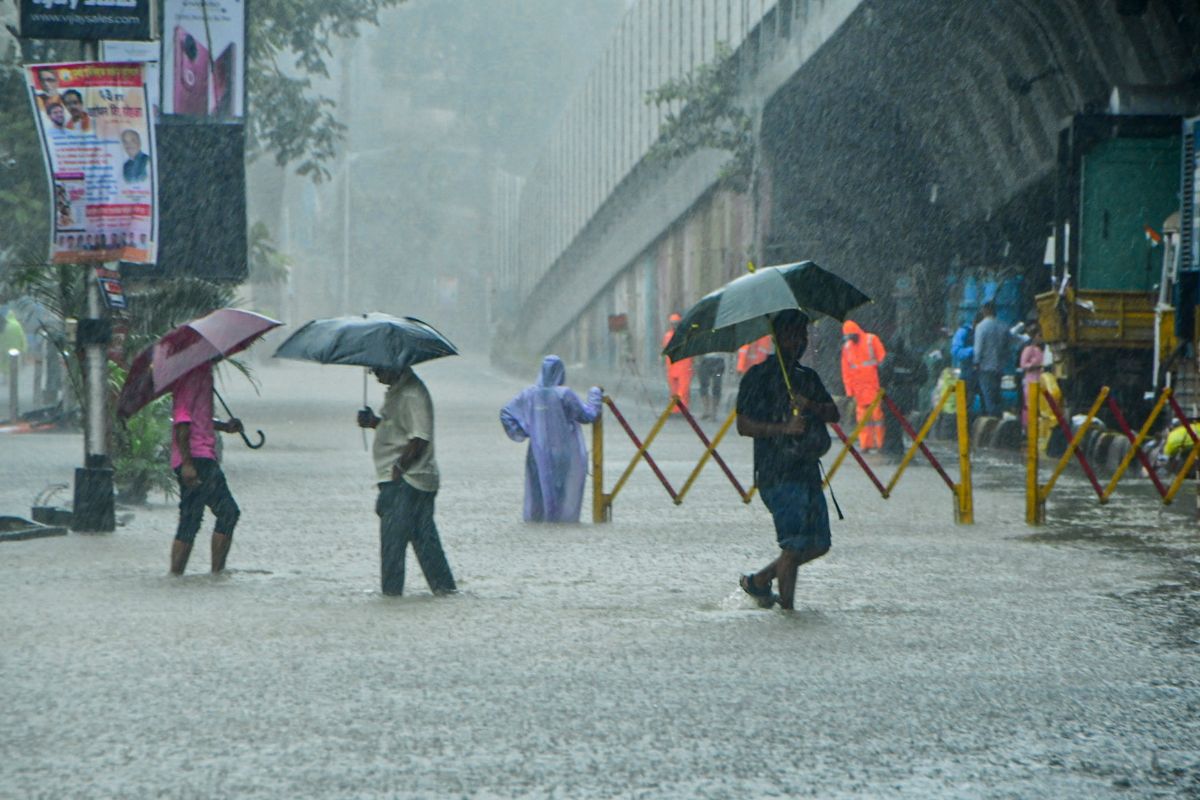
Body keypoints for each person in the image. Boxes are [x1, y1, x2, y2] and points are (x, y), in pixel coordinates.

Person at [736, 310, 840, 611]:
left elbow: (834, 413)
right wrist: (784, 429)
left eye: (803, 336)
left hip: (807, 470)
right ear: (777, 338)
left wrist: (810, 406)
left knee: (819, 544)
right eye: (793, 336)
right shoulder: (756, 378)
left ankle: (760, 580)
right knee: (794, 546)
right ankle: (788, 611)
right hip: (776, 473)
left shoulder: (807, 378)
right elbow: (743, 426)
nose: (799, 343)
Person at [357, 366, 457, 597]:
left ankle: (391, 601)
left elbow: (420, 437)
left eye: (377, 368)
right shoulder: (399, 391)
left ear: (393, 363)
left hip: (406, 483)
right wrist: (374, 422)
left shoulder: (412, 394)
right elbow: (400, 430)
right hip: (414, 481)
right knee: (427, 547)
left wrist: (399, 468)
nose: (375, 373)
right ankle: (446, 595)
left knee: (393, 550)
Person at [500, 355, 602, 523]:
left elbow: (507, 413)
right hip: (564, 453)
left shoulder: (529, 394)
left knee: (539, 490)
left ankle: (542, 524)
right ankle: (558, 524)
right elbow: (588, 415)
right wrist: (595, 394)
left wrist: (526, 430)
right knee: (562, 493)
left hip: (537, 454)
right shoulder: (565, 394)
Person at [168, 360, 244, 575]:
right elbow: (182, 421)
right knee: (218, 514)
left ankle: (186, 576)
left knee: (197, 518)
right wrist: (188, 464)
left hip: (201, 457)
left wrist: (224, 426)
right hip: (196, 458)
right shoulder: (190, 375)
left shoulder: (204, 373)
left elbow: (198, 418)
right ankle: (206, 573)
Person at [840, 320, 887, 451]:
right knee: (864, 420)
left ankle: (880, 444)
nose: (850, 339)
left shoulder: (871, 340)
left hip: (874, 387)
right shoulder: (848, 348)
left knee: (877, 417)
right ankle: (866, 444)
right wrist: (849, 391)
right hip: (861, 389)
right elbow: (846, 371)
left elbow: (883, 361)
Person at [878, 336, 926, 459]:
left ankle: (892, 449)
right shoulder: (913, 359)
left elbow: (882, 376)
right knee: (901, 423)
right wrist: (912, 383)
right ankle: (897, 449)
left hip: (893, 394)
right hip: (908, 395)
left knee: (891, 424)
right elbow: (923, 375)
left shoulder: (889, 359)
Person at [973, 302, 1012, 418]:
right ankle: (999, 420)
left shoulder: (981, 327)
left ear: (985, 311)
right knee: (997, 396)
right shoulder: (1003, 326)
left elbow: (978, 349)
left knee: (988, 397)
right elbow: (1007, 348)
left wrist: (976, 363)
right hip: (999, 367)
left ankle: (992, 422)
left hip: (985, 367)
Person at [661, 313, 692, 413]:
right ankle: (674, 410)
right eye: (673, 323)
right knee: (674, 391)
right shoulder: (667, 336)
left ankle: (682, 411)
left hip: (684, 367)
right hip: (672, 367)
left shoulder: (686, 335)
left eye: (676, 323)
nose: (674, 325)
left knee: (683, 391)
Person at [1019, 322, 1044, 430]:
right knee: (1029, 404)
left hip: (1039, 378)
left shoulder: (1041, 349)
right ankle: (1026, 425)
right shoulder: (1029, 349)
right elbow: (1023, 364)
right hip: (1030, 379)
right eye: (1039, 335)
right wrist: (1034, 365)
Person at [696, 354, 725, 420]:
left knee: (716, 385)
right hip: (704, 360)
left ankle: (714, 412)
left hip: (719, 361)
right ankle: (706, 411)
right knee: (703, 385)